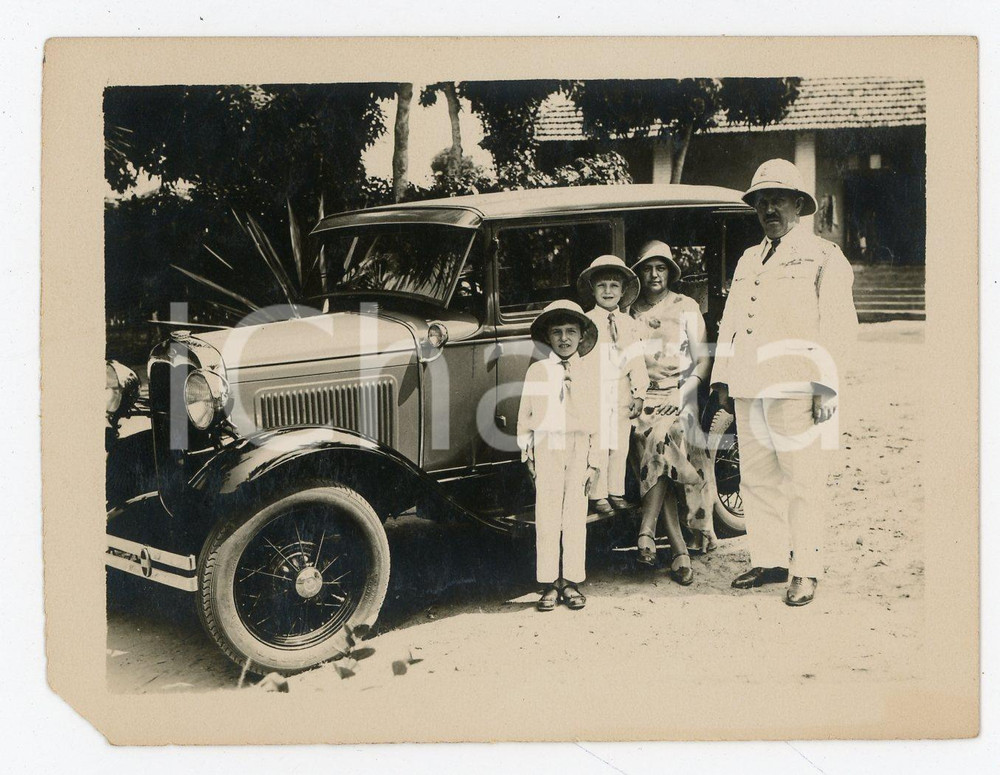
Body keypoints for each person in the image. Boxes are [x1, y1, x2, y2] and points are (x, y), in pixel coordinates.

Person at [711, 158, 858, 607]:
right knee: (756, 478)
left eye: (777, 199)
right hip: (748, 383)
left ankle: (806, 569)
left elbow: (839, 328)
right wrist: (721, 377)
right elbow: (732, 321)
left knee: (803, 479)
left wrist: (826, 387)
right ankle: (770, 557)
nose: (768, 209)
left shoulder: (824, 257)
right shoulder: (749, 258)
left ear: (798, 204)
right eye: (760, 201)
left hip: (796, 384)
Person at [629, 241, 716, 585]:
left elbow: (703, 360)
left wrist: (680, 395)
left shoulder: (686, 306)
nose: (654, 275)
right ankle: (677, 547)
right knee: (650, 434)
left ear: (670, 272)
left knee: (666, 434)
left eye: (661, 268)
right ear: (639, 272)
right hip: (640, 396)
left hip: (682, 393)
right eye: (648, 268)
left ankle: (649, 530)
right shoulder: (629, 310)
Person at [517, 300, 602, 612]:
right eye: (557, 332)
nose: (564, 338)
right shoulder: (538, 371)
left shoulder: (591, 372)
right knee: (548, 515)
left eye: (571, 332)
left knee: (575, 515)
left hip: (579, 447)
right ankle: (549, 583)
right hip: (548, 447)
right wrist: (527, 453)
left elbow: (599, 421)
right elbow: (526, 414)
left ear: (581, 336)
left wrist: (595, 463)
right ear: (548, 337)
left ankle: (571, 581)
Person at [577, 255, 649, 516]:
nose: (608, 291)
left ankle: (616, 491)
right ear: (593, 289)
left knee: (620, 444)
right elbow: (580, 360)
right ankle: (598, 494)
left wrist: (639, 394)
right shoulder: (585, 322)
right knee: (599, 443)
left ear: (623, 291)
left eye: (614, 286)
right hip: (595, 390)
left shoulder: (629, 325)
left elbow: (636, 361)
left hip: (620, 391)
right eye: (602, 286)